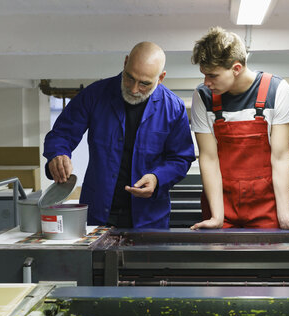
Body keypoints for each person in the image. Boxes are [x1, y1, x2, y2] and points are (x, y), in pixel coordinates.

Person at [43, 42, 195, 228]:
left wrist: (157, 178)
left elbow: (181, 158)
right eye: (129, 78)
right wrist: (58, 153)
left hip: (149, 218)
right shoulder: (95, 95)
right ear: (125, 63)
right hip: (98, 213)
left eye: (144, 84)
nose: (133, 89)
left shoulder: (173, 108)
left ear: (161, 78)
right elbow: (62, 133)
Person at [189, 27, 289, 230]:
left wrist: (286, 219)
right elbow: (208, 157)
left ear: (236, 69)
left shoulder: (277, 90)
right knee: (217, 261)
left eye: (212, 76)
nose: (206, 82)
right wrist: (217, 218)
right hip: (221, 204)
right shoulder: (203, 96)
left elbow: (280, 156)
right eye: (204, 75)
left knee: (268, 260)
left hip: (266, 207)